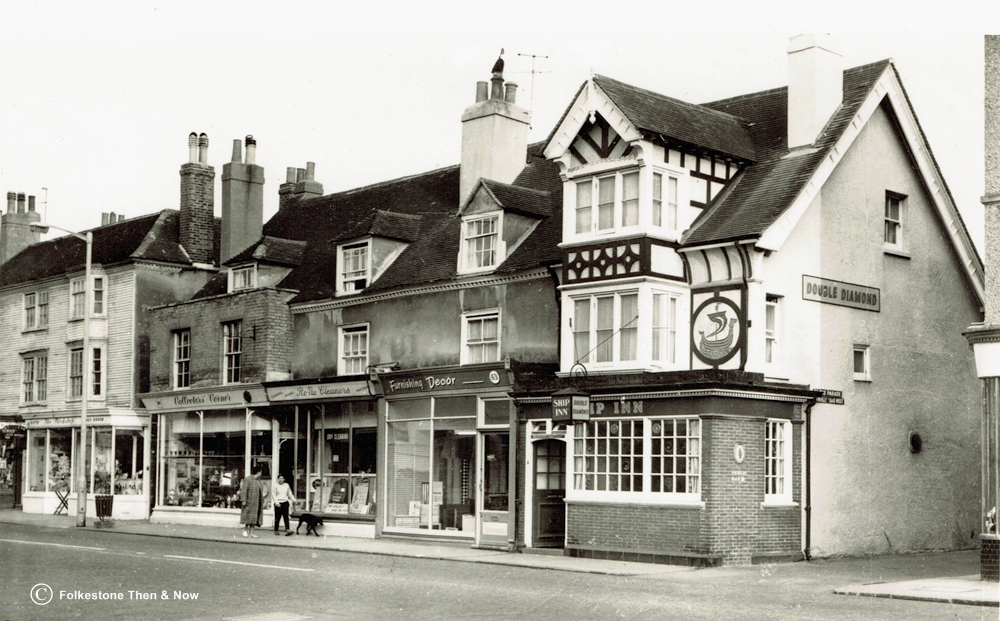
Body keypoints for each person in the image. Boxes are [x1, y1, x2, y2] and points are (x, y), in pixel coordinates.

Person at [239, 467, 264, 538]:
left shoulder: (259, 481)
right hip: (249, 501)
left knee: (254, 518)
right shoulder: (248, 479)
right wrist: (243, 500)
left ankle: (251, 533)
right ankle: (245, 530)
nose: (261, 473)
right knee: (248, 517)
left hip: (257, 502)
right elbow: (244, 490)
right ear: (258, 472)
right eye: (260, 472)